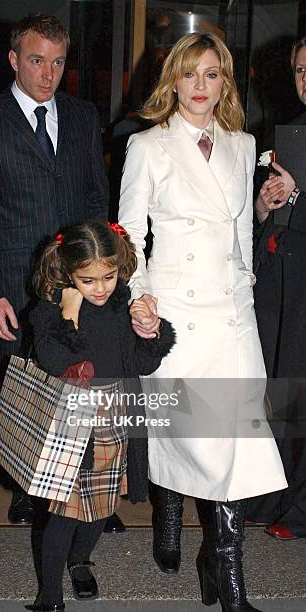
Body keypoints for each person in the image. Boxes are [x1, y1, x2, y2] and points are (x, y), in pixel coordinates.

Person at [118, 33, 287, 612]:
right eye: (190, 74)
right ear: (173, 79)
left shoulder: (243, 144)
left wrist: (245, 285)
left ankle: (224, 570)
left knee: (234, 441)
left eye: (212, 75)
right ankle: (171, 521)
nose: (200, 86)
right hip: (178, 309)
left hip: (231, 311)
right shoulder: (148, 145)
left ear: (225, 82)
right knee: (190, 434)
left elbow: (239, 231)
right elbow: (129, 236)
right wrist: (139, 297)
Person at [0, 14, 108, 525]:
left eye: (58, 62)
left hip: (80, 285)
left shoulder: (85, 116)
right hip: (14, 288)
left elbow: (95, 200)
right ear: (14, 60)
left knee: (86, 384)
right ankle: (26, 488)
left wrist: (100, 274)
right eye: (37, 61)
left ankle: (89, 493)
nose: (48, 74)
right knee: (20, 392)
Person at [28, 220, 175, 611]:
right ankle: (51, 598)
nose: (100, 288)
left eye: (108, 277)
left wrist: (151, 330)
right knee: (65, 513)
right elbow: (56, 359)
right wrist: (68, 315)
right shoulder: (51, 309)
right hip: (71, 422)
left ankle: (79, 561)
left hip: (116, 417)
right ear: (67, 271)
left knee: (102, 507)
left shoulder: (120, 303)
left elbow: (142, 364)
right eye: (87, 280)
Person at [247, 37, 306, 540]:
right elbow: (269, 215)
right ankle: (275, 496)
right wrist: (267, 204)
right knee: (280, 389)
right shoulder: (291, 131)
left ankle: (300, 509)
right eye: (302, 70)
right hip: (283, 278)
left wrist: (299, 193)